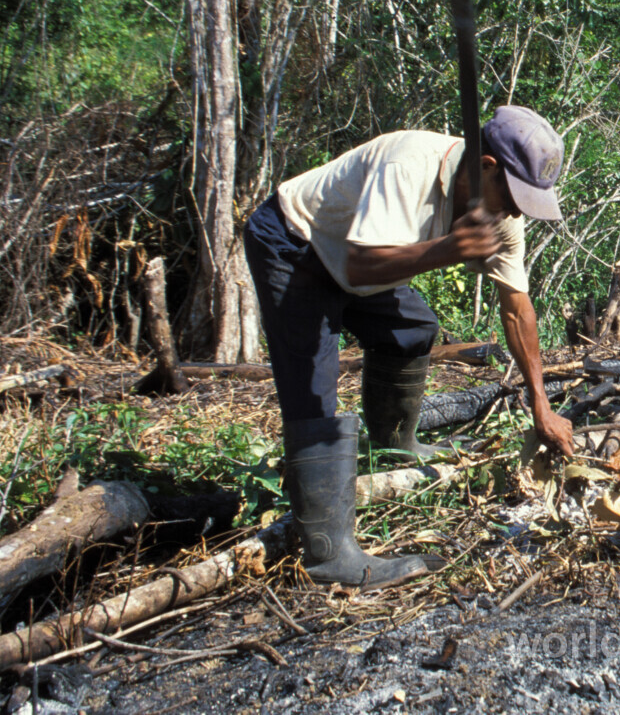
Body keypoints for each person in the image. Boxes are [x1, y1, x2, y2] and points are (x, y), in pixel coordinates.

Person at [242, 105, 576, 590]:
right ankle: (328, 556)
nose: (515, 213)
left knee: (412, 329)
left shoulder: (503, 215)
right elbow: (358, 268)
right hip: (298, 245)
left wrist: (541, 408)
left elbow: (516, 308)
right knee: (312, 388)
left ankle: (393, 442)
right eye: (514, 198)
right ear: (487, 169)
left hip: (357, 262)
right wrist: (447, 249)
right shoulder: (408, 166)